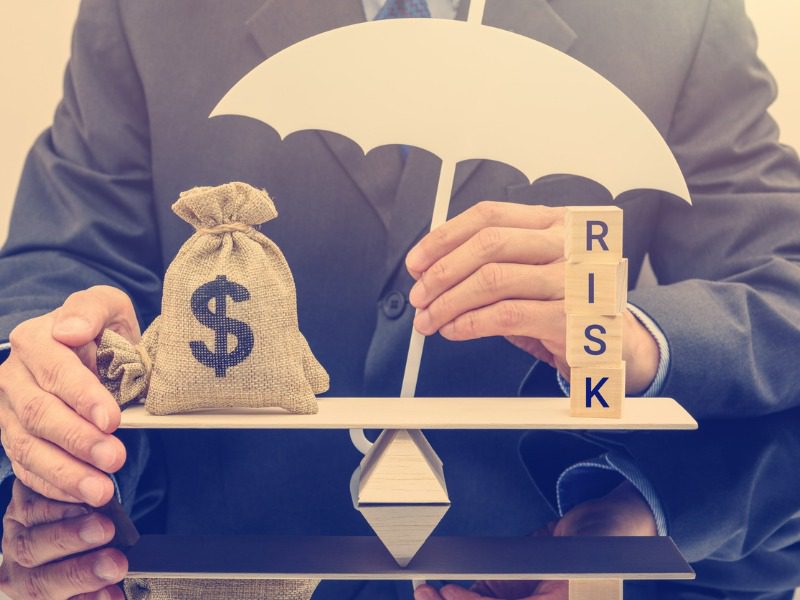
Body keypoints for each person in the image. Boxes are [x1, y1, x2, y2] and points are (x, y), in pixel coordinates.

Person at [0, 0, 799, 598]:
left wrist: (635, 335)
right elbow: (57, 260)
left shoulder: (677, 15)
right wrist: (50, 353)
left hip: (523, 558)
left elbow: (785, 282)